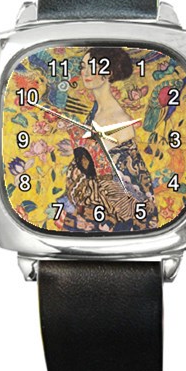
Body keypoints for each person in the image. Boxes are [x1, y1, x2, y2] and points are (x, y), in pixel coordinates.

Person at [60, 47, 158, 232]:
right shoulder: (96, 110)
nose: (85, 73)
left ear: (108, 73)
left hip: (110, 217)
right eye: (83, 67)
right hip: (87, 210)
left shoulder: (118, 119)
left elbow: (125, 181)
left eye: (92, 67)